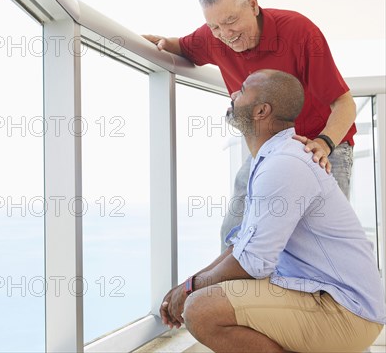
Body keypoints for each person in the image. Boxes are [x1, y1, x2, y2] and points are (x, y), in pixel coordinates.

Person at [159, 69, 384, 353]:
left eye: (241, 91)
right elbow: (244, 245)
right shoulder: (272, 158)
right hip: (322, 296)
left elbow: (253, 263)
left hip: (347, 311)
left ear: (262, 110)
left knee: (202, 309)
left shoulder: (283, 165)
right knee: (205, 293)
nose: (232, 95)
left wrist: (190, 289)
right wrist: (188, 283)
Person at [143, 0, 357, 251]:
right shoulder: (213, 37)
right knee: (235, 230)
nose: (226, 34)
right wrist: (135, 44)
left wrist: (324, 144)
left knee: (322, 244)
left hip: (324, 145)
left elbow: (345, 104)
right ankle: (229, 294)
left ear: (253, 5)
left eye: (231, 21)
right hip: (272, 149)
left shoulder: (299, 32)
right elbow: (178, 45)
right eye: (216, 26)